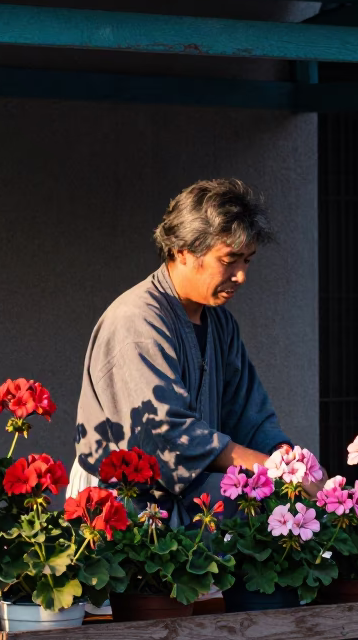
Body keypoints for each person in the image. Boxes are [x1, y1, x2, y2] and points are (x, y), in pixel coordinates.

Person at [72, 177, 317, 516]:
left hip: (188, 500)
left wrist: (289, 463)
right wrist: (266, 468)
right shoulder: (136, 321)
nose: (241, 275)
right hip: (119, 508)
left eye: (248, 260)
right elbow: (162, 433)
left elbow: (250, 416)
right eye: (229, 259)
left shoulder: (221, 324)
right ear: (182, 250)